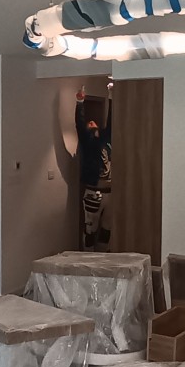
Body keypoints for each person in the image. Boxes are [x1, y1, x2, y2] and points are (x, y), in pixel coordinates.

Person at [75, 85, 112, 250]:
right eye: (89, 123)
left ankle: (104, 257)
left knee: (107, 228)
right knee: (90, 229)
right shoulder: (87, 142)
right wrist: (79, 103)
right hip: (93, 191)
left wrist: (111, 95)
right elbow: (79, 123)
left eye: (93, 121)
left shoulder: (105, 139)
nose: (91, 122)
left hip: (110, 191)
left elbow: (112, 121)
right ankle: (87, 257)